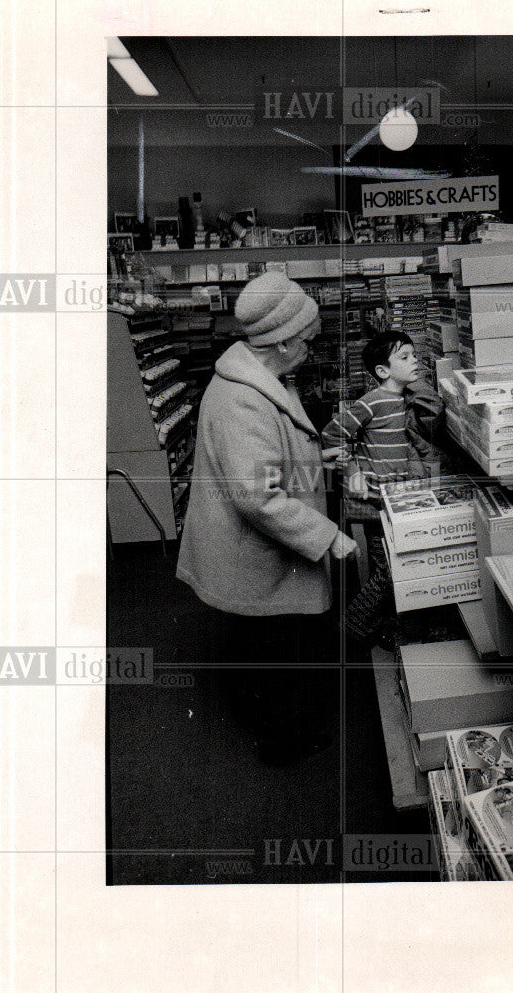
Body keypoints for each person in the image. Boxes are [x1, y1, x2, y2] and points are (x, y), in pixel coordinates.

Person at [176, 271, 358, 765]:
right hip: (249, 551)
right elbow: (257, 497)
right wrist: (328, 536)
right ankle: (282, 745)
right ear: (280, 343)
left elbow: (262, 460)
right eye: (307, 340)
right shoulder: (242, 398)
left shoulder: (259, 377)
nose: (312, 349)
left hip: (247, 545)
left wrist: (313, 462)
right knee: (280, 654)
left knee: (267, 647)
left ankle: (264, 711)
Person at [321, 331, 444, 643]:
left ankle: (390, 625)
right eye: (404, 357)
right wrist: (353, 471)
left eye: (415, 355)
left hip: (396, 499)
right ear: (382, 371)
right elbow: (332, 434)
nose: (414, 360)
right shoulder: (373, 401)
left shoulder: (402, 399)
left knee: (392, 568)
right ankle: (353, 626)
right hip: (376, 503)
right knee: (388, 572)